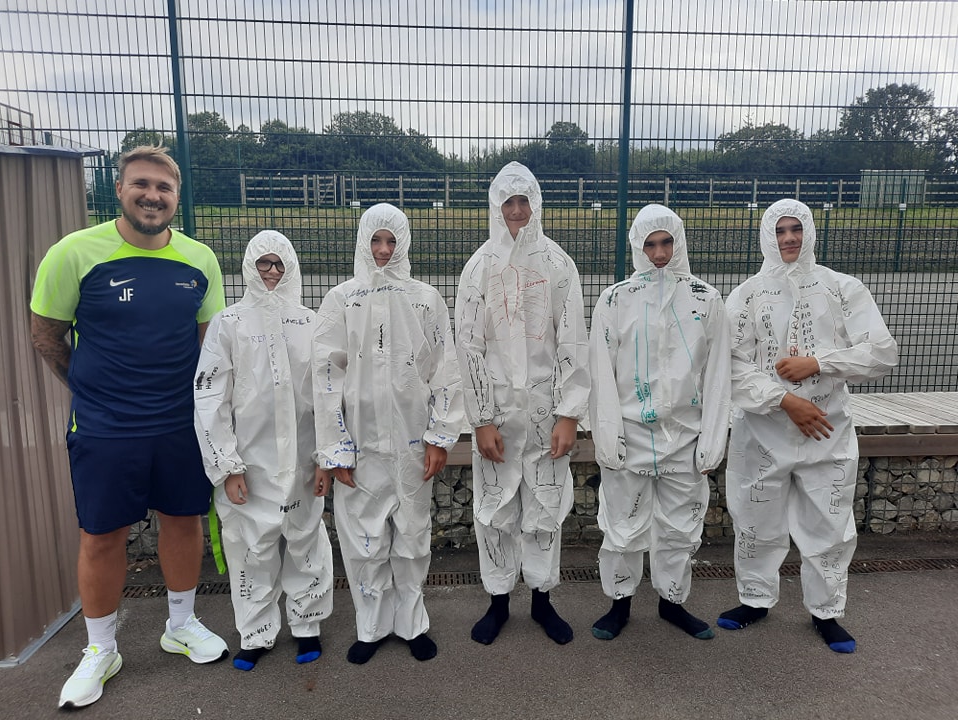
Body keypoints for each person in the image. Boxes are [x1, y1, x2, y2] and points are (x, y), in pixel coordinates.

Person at [30, 145, 228, 709]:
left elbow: (207, 347)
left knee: (183, 521)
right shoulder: (73, 253)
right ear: (118, 189)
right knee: (102, 534)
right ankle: (100, 649)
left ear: (175, 197)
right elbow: (46, 336)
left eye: (164, 188)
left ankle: (181, 625)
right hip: (104, 425)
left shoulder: (200, 260)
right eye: (141, 184)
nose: (152, 196)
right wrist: (95, 391)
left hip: (178, 424)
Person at [717, 198, 898, 653]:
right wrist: (784, 399)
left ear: (810, 232)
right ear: (766, 237)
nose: (789, 239)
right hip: (762, 431)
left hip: (827, 429)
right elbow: (730, 367)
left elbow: (880, 351)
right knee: (756, 519)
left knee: (830, 523)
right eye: (779, 231)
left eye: (796, 229)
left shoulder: (842, 288)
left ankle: (827, 611)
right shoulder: (746, 296)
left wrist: (819, 362)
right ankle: (755, 599)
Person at [313, 203, 463, 665]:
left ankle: (412, 622)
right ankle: (372, 626)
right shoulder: (342, 300)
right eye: (375, 241)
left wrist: (440, 437)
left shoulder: (425, 299)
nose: (382, 251)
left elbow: (445, 371)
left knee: (413, 537)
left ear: (404, 244)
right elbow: (324, 376)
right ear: (363, 242)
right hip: (360, 448)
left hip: (412, 446)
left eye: (391, 241)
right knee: (364, 542)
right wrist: (335, 448)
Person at [455, 162, 590, 646]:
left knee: (545, 508)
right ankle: (497, 602)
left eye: (523, 201)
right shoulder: (480, 268)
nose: (516, 211)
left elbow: (573, 341)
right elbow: (468, 347)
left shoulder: (558, 265)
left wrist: (569, 413)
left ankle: (542, 601)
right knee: (494, 511)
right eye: (508, 202)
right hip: (498, 420)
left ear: (536, 205)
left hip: (546, 416)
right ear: (496, 207)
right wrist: (482, 420)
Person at [588, 204, 731, 642]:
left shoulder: (705, 299)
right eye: (650, 244)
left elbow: (718, 373)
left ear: (679, 242)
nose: (659, 253)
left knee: (679, 527)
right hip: (630, 436)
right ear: (637, 247)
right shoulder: (615, 300)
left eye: (666, 242)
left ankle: (672, 603)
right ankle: (619, 604)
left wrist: (712, 438)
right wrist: (607, 433)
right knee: (623, 526)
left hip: (684, 439)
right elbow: (601, 373)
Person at [193, 230, 334, 671]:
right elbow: (210, 397)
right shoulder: (229, 324)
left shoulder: (309, 323)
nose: (272, 273)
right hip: (249, 464)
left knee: (305, 540)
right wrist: (226, 465)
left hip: (302, 462)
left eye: (280, 264)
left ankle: (307, 625)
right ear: (250, 268)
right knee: (249, 548)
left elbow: (327, 395)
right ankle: (255, 633)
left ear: (291, 268)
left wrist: (325, 457)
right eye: (264, 264)